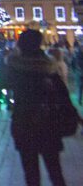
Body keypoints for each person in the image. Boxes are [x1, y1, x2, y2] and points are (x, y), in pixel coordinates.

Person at [7, 29, 72, 186]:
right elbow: (64, 97)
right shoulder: (50, 67)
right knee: (55, 172)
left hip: (24, 125)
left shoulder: (15, 68)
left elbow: (3, 81)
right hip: (49, 126)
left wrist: (12, 55)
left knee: (31, 175)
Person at [0, 45, 12, 110]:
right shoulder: (8, 58)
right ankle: (8, 105)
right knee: (8, 92)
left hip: (0, 77)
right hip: (7, 77)